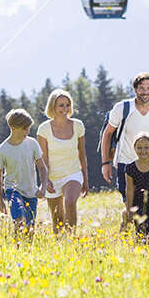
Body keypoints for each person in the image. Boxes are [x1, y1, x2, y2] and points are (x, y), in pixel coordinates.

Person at [100, 72, 149, 224]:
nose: (145, 92)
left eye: (148, 88)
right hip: (126, 164)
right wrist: (105, 163)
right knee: (132, 204)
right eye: (141, 88)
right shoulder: (122, 108)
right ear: (135, 89)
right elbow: (107, 134)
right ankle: (129, 228)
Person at [36, 89, 89, 233]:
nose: (65, 109)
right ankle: (61, 246)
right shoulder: (44, 129)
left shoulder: (78, 125)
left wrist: (85, 178)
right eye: (61, 105)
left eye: (67, 105)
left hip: (73, 174)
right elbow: (42, 158)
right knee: (57, 220)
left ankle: (71, 238)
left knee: (70, 202)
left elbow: (82, 154)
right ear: (53, 106)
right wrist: (45, 180)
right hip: (52, 178)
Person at [0, 109, 49, 238]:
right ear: (13, 127)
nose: (27, 131)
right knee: (19, 220)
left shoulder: (32, 144)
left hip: (31, 192)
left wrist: (43, 187)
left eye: (28, 128)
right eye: (24, 128)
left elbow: (42, 168)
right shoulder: (2, 150)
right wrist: (0, 199)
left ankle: (26, 253)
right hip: (13, 190)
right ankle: (17, 248)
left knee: (29, 229)